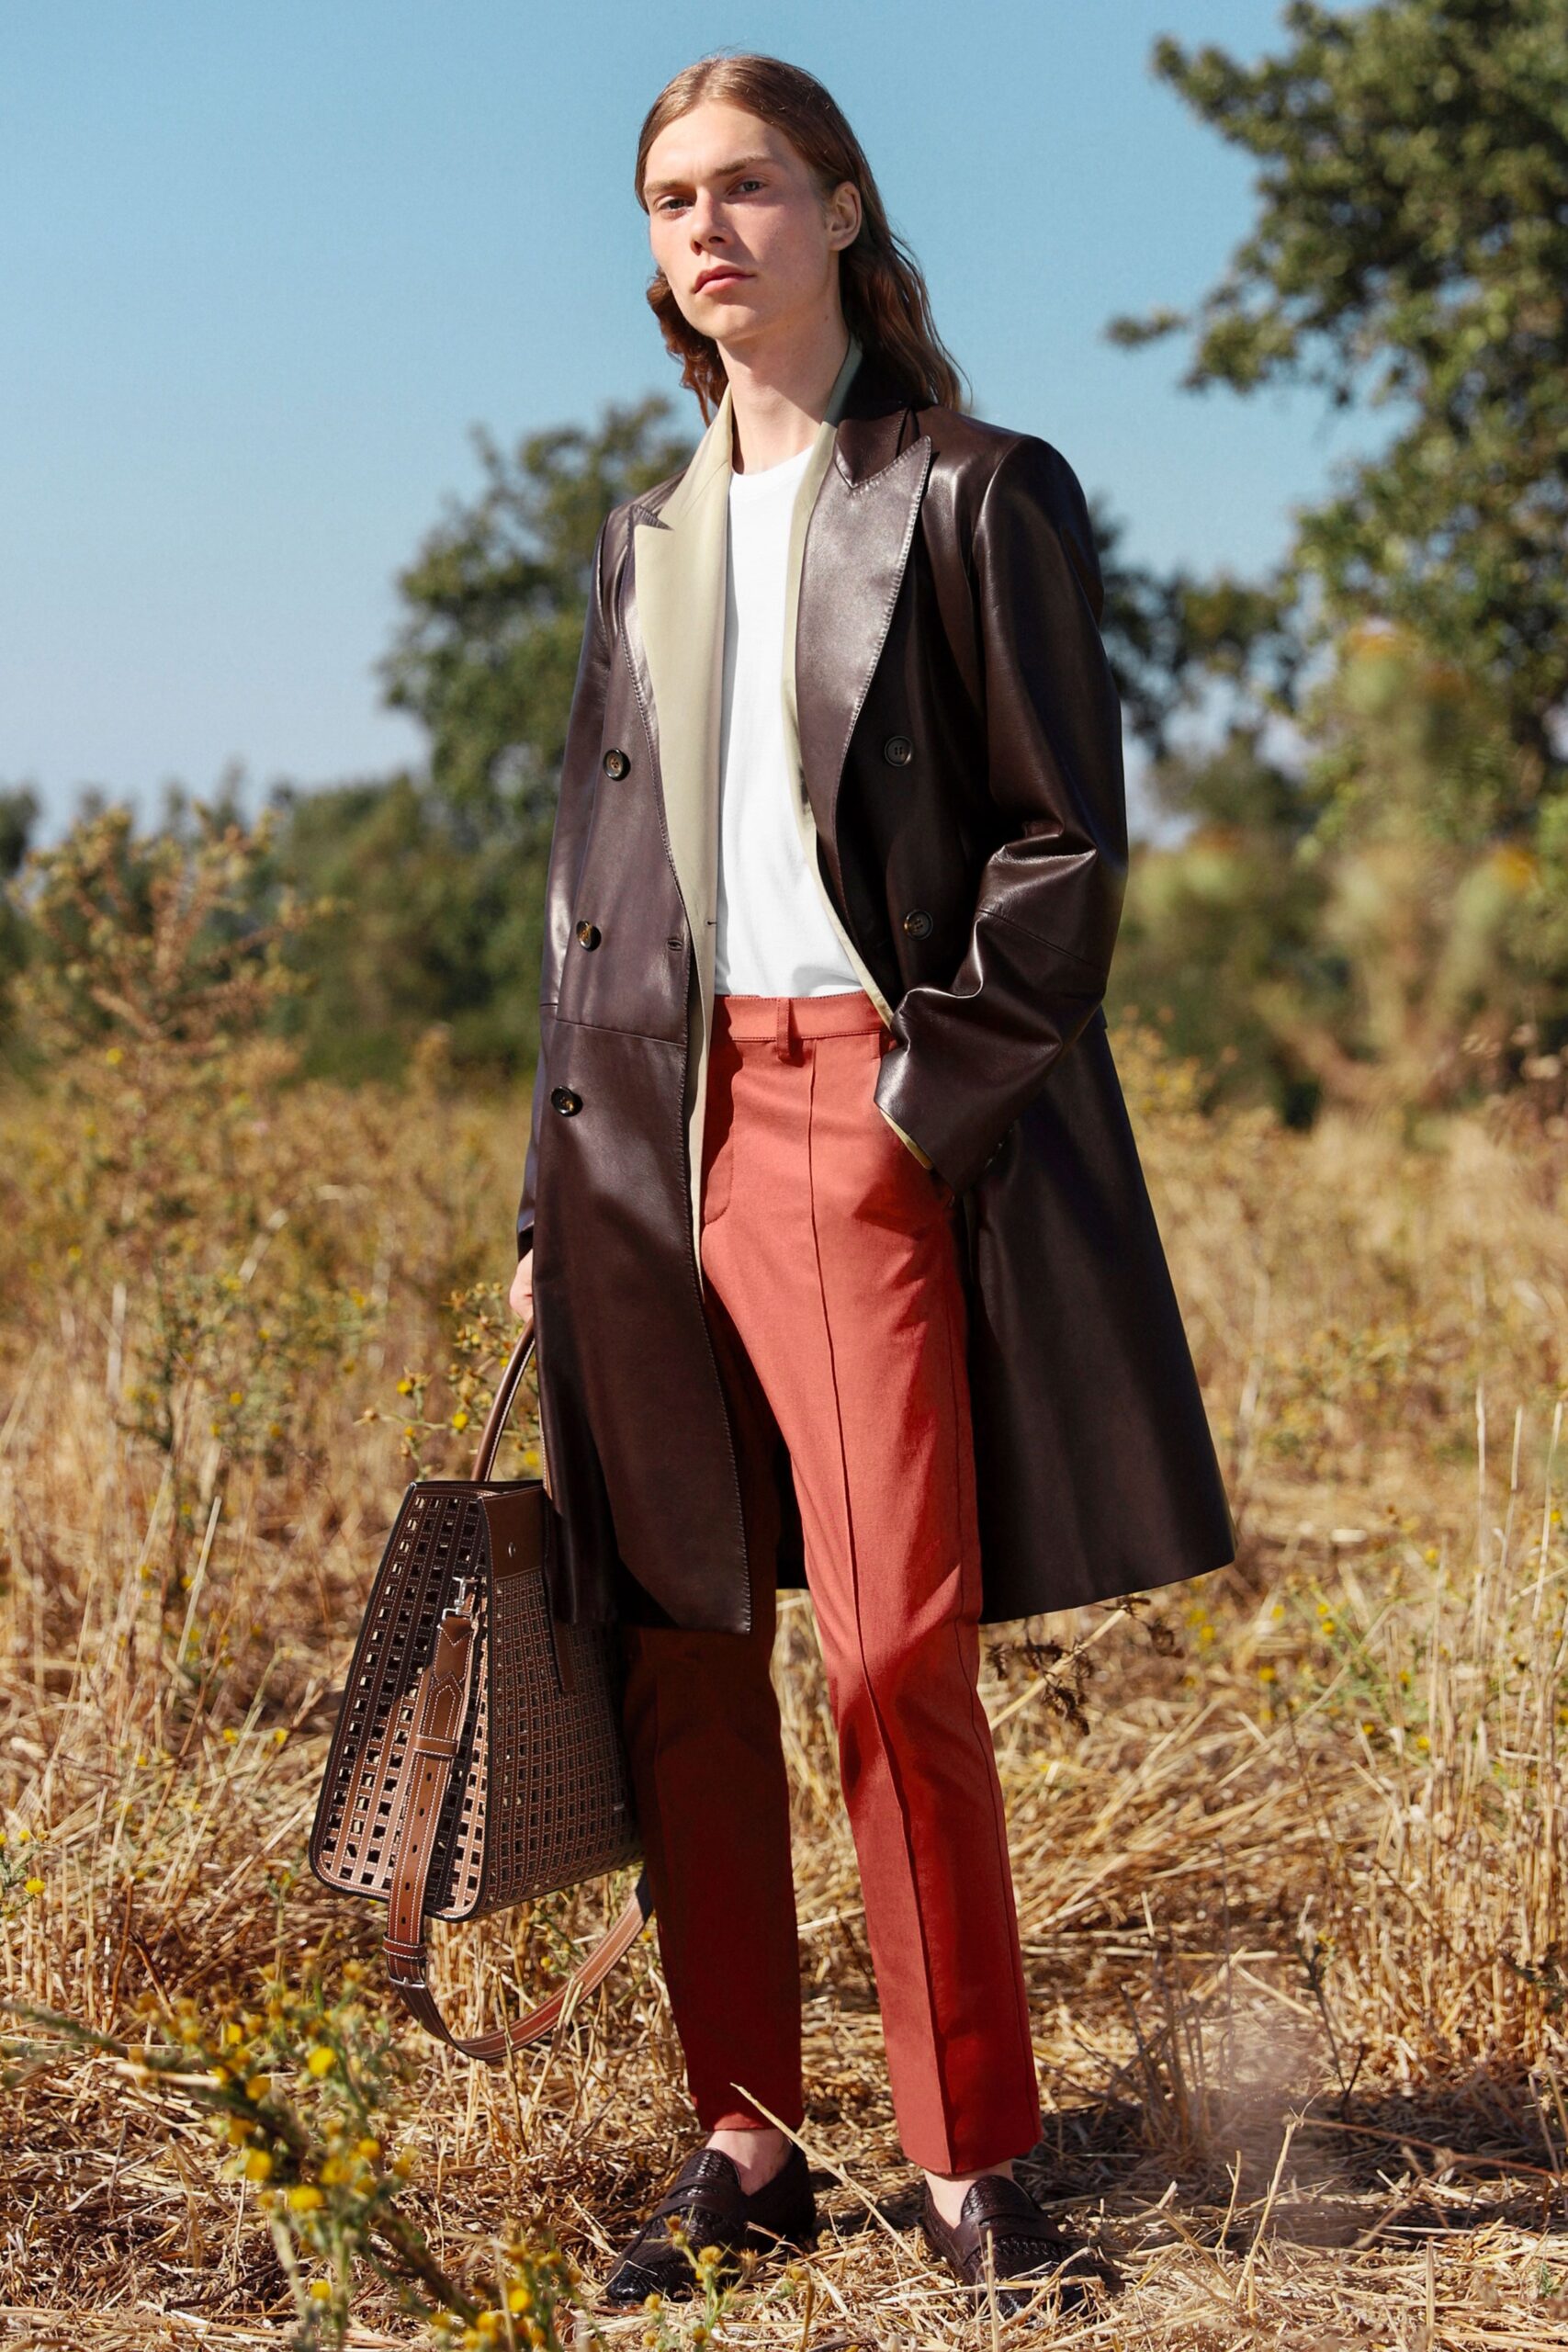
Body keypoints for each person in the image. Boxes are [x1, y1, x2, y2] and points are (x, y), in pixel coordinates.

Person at [508, 50, 1235, 2317]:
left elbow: (1062, 846)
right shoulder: (642, 540)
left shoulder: (974, 491)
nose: (704, 230)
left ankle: (968, 2152)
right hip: (645, 1131)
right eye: (668, 202)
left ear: (838, 208)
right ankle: (745, 2138)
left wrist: (918, 1109)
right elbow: (590, 902)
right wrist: (543, 1206)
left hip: (860, 1108)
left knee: (894, 1651)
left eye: (745, 186)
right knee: (681, 1650)